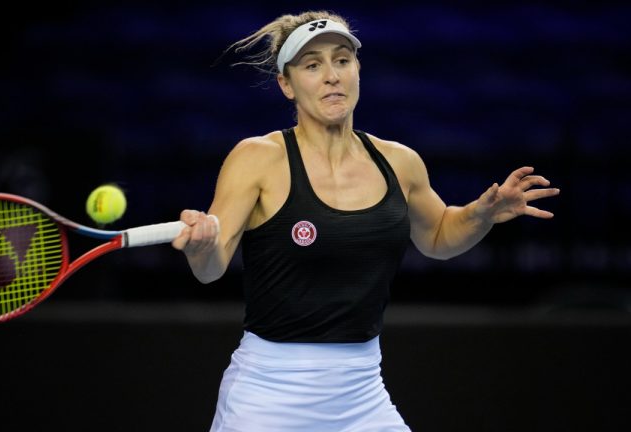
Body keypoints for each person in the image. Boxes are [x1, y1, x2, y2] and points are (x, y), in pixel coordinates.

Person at [171, 10, 560, 432]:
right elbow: (210, 268)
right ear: (286, 84)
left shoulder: (400, 161)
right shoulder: (256, 158)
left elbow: (438, 236)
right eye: (312, 65)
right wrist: (202, 246)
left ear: (358, 70)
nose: (331, 76)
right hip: (267, 395)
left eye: (342, 60)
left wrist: (481, 215)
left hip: (362, 395)